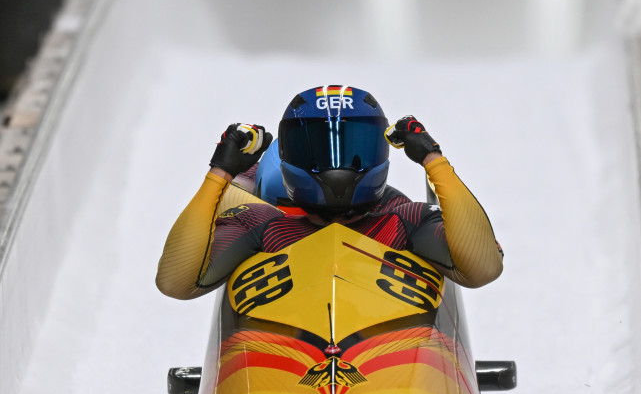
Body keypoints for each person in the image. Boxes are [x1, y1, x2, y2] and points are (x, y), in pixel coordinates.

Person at [156, 85, 503, 300]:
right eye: (317, 153)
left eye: (354, 150)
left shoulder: (405, 217)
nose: (338, 170)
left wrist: (433, 159)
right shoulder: (261, 222)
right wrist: (220, 173)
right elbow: (176, 283)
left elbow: (482, 268)